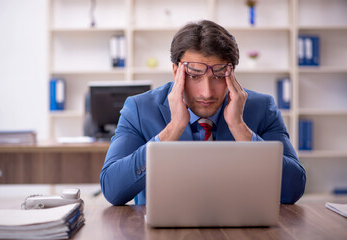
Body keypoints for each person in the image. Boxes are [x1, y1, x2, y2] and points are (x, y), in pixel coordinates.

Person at [100, 20, 306, 206]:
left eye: (218, 75)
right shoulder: (139, 109)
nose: (206, 92)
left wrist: (239, 128)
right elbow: (113, 190)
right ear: (176, 71)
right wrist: (173, 129)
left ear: (232, 72)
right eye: (194, 75)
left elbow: (293, 190)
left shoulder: (262, 108)